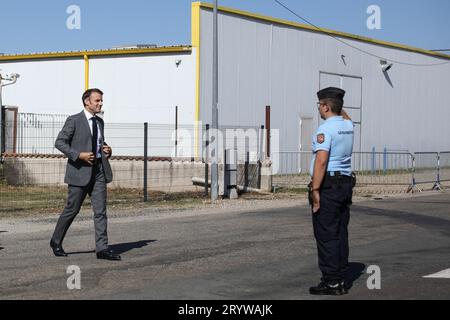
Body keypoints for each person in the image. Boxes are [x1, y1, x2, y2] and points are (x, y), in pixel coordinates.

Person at [50, 88, 121, 261]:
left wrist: (106, 149)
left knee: (100, 211)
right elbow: (60, 142)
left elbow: (97, 141)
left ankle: (102, 249)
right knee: (72, 210)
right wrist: (78, 155)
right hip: (79, 172)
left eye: (101, 100)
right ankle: (56, 240)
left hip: (98, 171)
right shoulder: (74, 120)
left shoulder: (100, 122)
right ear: (87, 102)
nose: (100, 103)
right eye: (97, 100)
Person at [308, 87, 354, 295]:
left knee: (326, 234)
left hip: (328, 185)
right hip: (344, 184)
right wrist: (338, 106)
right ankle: (340, 276)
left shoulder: (325, 129)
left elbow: (321, 160)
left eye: (320, 105)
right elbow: (345, 116)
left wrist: (315, 190)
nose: (318, 108)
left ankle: (332, 281)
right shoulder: (348, 126)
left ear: (326, 107)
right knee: (340, 232)